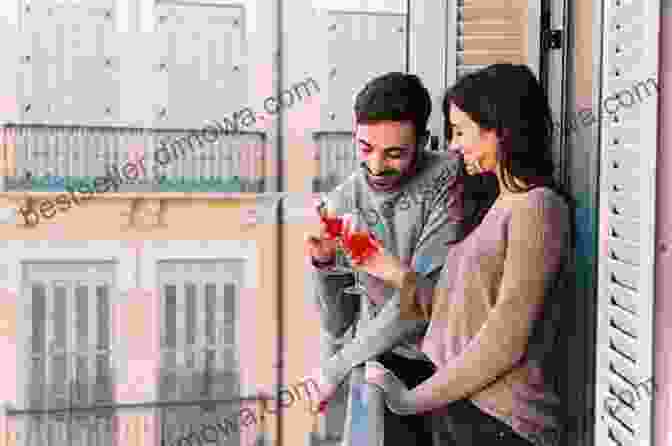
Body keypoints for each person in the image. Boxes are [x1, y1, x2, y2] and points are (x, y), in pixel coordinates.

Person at [349, 63, 574, 446]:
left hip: (503, 421)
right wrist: (384, 269)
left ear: (500, 130)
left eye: (461, 131)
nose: (453, 145)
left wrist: (408, 400)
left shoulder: (538, 207)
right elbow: (459, 316)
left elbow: (504, 340)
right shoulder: (494, 205)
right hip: (465, 410)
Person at [302, 72, 492, 445]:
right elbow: (338, 323)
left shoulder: (449, 178)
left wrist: (335, 369)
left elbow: (422, 302)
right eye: (365, 148)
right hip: (384, 363)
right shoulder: (342, 201)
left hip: (455, 361)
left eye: (395, 153)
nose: (375, 166)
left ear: (422, 142)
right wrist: (324, 267)